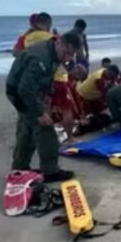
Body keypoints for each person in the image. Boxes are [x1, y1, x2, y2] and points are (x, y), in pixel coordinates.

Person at [6, 32, 82, 180]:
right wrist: (40, 113)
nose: (67, 58)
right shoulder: (41, 58)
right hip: (20, 92)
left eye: (71, 54)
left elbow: (46, 76)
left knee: (26, 129)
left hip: (27, 90)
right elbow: (25, 90)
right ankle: (50, 171)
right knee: (46, 129)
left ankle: (19, 168)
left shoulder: (53, 49)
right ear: (59, 42)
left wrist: (47, 93)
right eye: (66, 53)